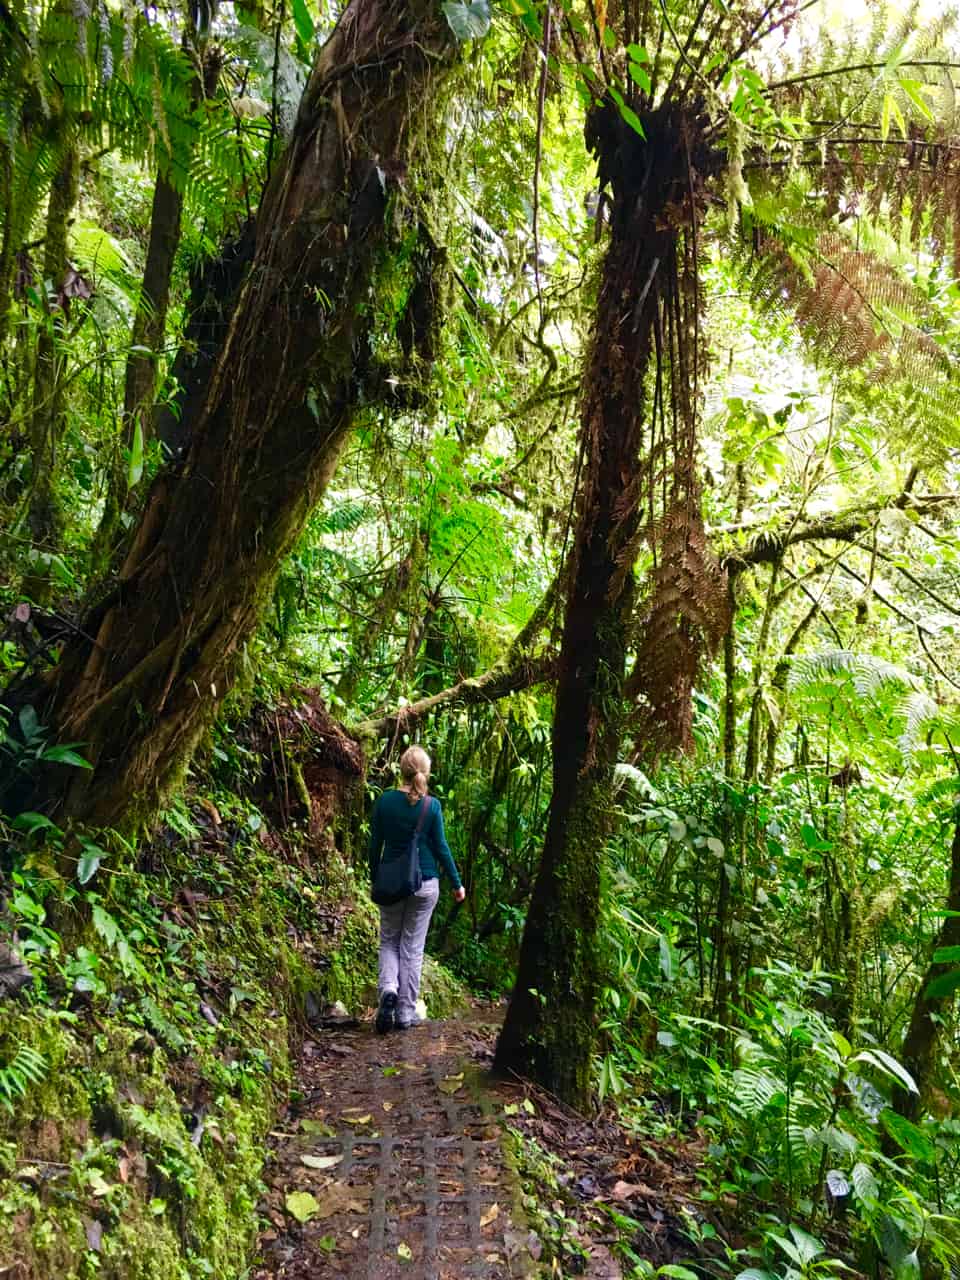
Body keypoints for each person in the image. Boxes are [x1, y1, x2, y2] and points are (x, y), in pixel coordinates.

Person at [368, 745, 466, 1034]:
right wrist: (457, 883)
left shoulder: (384, 802)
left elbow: (375, 847)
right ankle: (405, 1013)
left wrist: (376, 878)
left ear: (401, 770)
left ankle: (388, 989)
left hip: (392, 884)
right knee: (412, 948)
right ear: (425, 772)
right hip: (425, 884)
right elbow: (441, 848)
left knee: (389, 940)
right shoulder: (431, 806)